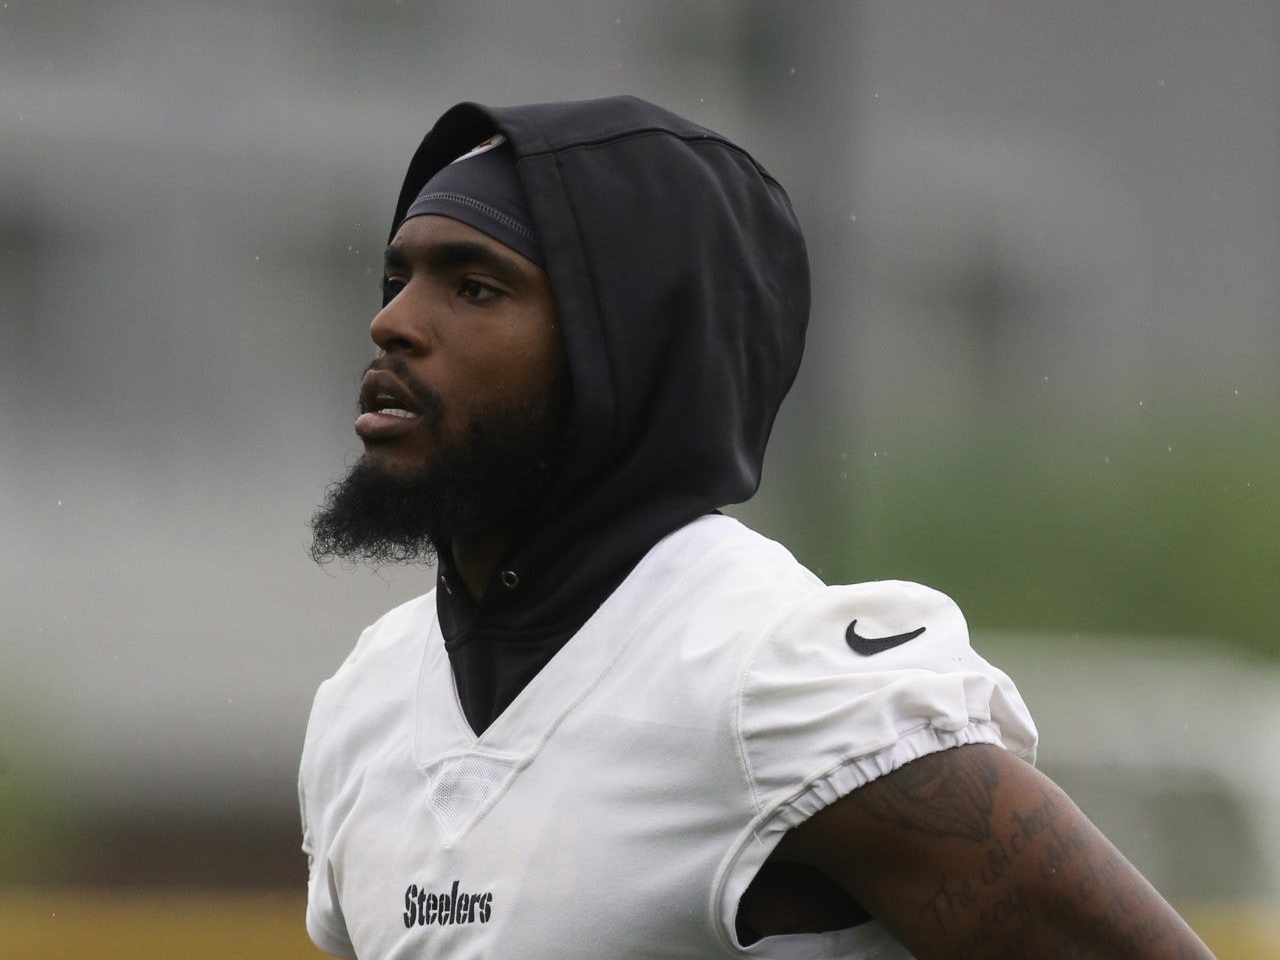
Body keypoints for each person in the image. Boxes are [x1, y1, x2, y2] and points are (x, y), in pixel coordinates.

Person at [300, 96, 1212, 959]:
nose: (391, 323)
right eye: (396, 277)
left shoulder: (770, 681)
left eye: (474, 286)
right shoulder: (366, 701)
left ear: (629, 346)